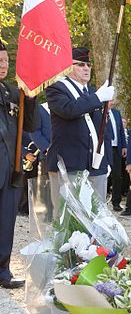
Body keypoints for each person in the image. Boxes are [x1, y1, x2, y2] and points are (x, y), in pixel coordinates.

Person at [46, 47, 114, 208]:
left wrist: (107, 161)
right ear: (68, 68)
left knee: (96, 217)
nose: (86, 68)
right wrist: (98, 98)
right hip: (69, 164)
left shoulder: (92, 92)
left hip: (95, 165)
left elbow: (103, 130)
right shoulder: (56, 88)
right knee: (66, 218)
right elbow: (70, 110)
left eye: (88, 65)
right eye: (81, 64)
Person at [0, 40, 38, 288]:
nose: (3, 65)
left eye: (5, 61)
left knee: (6, 221)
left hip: (11, 167)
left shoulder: (13, 92)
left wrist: (31, 97)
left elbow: (30, 126)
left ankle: (3, 271)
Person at [107, 101, 127, 211]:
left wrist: (124, 145)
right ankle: (102, 201)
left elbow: (121, 131)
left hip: (117, 148)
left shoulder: (116, 113)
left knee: (117, 176)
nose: (112, 102)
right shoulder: (99, 111)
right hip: (104, 148)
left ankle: (116, 202)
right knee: (104, 175)